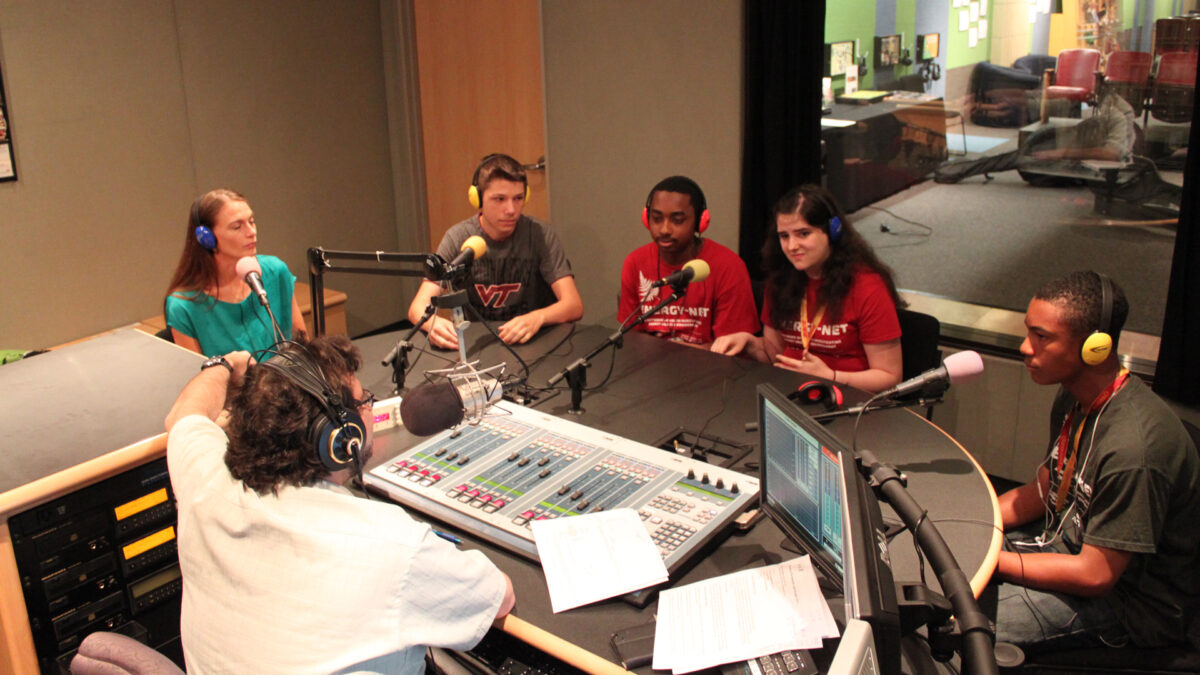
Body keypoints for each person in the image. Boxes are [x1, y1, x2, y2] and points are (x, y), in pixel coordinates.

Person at [164, 335, 515, 673]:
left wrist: (224, 365)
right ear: (339, 439)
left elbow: (183, 415)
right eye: (364, 401)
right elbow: (499, 598)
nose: (369, 408)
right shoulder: (393, 545)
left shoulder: (204, 482)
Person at [994, 271, 1200, 654]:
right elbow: (1044, 491)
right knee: (942, 569)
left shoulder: (1134, 449)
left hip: (1129, 604)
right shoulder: (1072, 398)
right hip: (1064, 548)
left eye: (1042, 337)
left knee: (960, 620)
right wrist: (969, 525)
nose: (1025, 347)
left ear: (1096, 348)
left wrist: (991, 560)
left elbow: (1096, 574)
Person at [717, 185, 903, 393]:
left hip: (848, 400)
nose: (792, 246)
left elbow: (889, 376)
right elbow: (774, 353)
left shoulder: (867, 287)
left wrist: (831, 377)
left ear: (833, 231)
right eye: (784, 236)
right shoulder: (780, 280)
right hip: (791, 394)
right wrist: (749, 343)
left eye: (803, 234)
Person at [407, 154, 583, 348]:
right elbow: (418, 307)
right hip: (479, 345)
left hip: (531, 342)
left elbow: (573, 305)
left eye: (518, 198)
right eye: (499, 199)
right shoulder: (458, 237)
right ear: (478, 199)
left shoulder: (540, 234)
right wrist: (433, 323)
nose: (511, 209)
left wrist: (538, 317)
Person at [618, 176, 759, 349]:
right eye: (657, 218)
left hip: (711, 369)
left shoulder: (728, 266)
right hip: (649, 366)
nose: (665, 229)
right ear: (646, 219)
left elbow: (731, 346)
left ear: (700, 221)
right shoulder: (635, 262)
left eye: (677, 220)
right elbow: (632, 336)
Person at [165, 189, 305, 357]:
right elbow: (198, 380)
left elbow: (303, 347)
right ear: (207, 238)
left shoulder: (275, 271)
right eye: (237, 227)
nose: (251, 232)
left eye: (252, 222)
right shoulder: (183, 306)